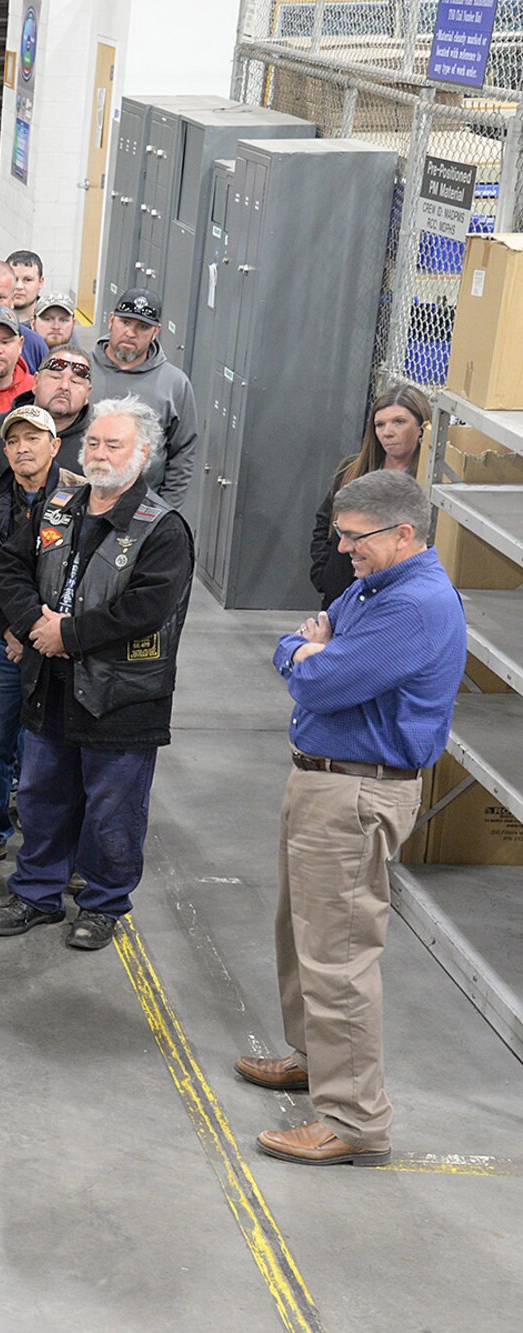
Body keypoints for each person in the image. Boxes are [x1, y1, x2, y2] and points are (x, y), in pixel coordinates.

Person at [247, 469, 463, 1168]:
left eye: (354, 536)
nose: (342, 548)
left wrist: (312, 655)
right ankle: (315, 1059)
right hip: (322, 781)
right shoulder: (376, 584)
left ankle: (354, 1119)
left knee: (338, 955)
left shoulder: (417, 605)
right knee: (302, 932)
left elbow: (322, 676)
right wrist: (307, 647)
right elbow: (301, 644)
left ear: (404, 533)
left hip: (357, 792)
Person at [0, 397, 194, 951]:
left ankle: (102, 904)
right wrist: (36, 627)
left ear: (143, 454)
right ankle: (36, 894)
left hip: (120, 699)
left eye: (114, 444)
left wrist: (68, 635)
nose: (99, 453)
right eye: (94, 443)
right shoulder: (57, 507)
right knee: (41, 797)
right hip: (49, 685)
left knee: (112, 810)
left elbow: (146, 609)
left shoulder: (163, 529)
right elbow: (11, 568)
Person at [0, 405, 84, 864]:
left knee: (48, 749)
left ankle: (45, 839)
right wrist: (8, 630)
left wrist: (49, 633)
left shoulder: (82, 496)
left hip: (57, 643)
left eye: (34, 438)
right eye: (13, 440)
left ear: (55, 446)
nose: (22, 447)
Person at [309, 386, 431, 607]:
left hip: (395, 598)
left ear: (422, 427)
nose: (387, 432)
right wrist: (324, 575)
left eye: (399, 422)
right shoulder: (352, 471)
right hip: (341, 595)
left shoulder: (428, 482)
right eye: (380, 424)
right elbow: (324, 523)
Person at [86, 288, 199, 508]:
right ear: (111, 321)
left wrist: (165, 509)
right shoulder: (82, 369)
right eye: (125, 322)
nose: (131, 332)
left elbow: (182, 452)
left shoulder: (174, 383)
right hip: (81, 501)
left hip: (142, 507)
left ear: (156, 331)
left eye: (142, 327)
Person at [0, 343, 94, 484]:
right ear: (36, 382)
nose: (64, 386)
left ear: (88, 393)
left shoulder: (97, 443)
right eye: (55, 377)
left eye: (75, 381)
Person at [6, 250, 46, 319]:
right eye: (14, 279)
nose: (19, 286)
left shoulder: (53, 323)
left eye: (27, 280)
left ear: (40, 282)